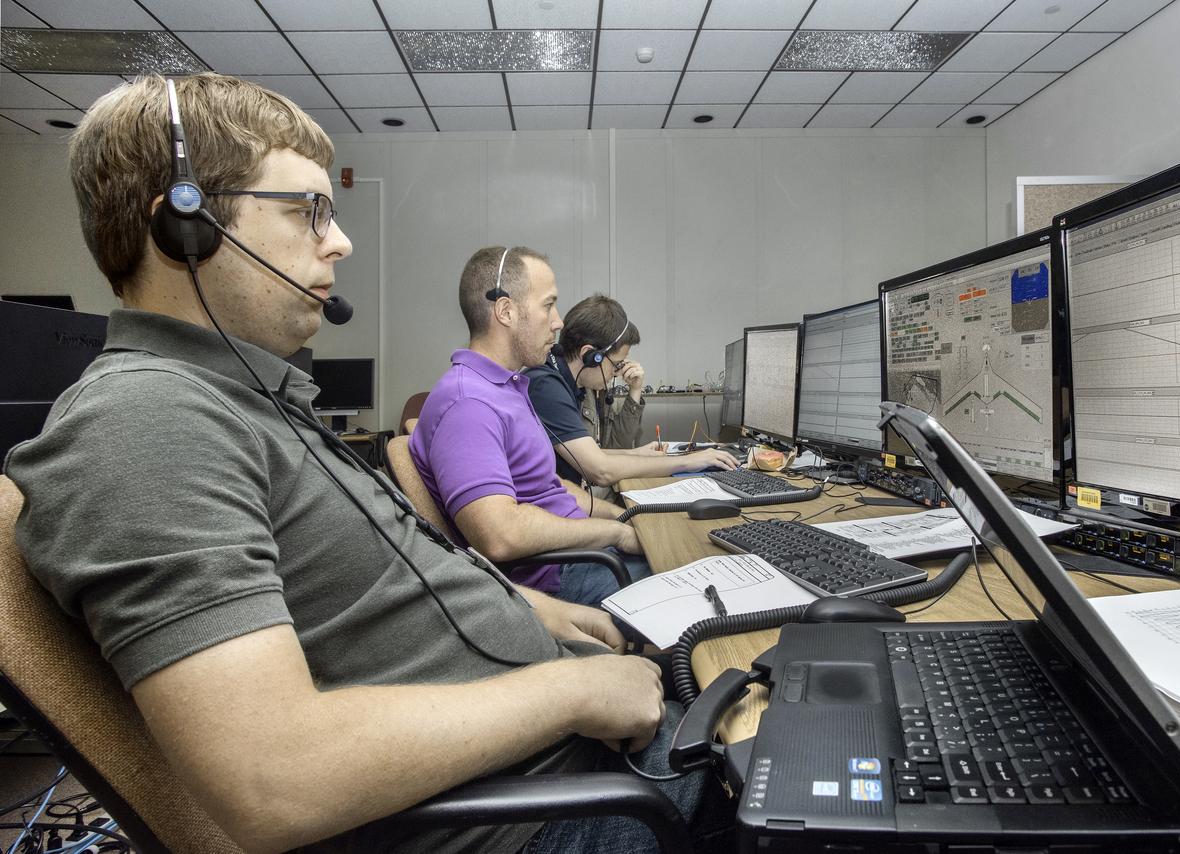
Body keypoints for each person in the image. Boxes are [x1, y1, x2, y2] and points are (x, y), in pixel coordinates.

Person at [4, 74, 727, 853]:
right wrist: (568, 691)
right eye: (306, 210)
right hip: (538, 813)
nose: (339, 240)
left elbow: (406, 581)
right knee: (817, 750)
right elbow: (274, 776)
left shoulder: (251, 398)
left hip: (546, 750)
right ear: (187, 228)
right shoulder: (146, 422)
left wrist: (549, 619)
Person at [410, 248, 652, 608]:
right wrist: (615, 532)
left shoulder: (505, 388)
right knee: (706, 585)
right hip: (559, 575)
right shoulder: (469, 404)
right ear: (506, 311)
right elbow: (500, 535)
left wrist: (623, 518)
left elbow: (549, 489)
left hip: (578, 554)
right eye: (548, 305)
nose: (557, 322)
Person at [526, 294, 739, 487]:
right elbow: (600, 471)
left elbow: (588, 452)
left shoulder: (566, 383)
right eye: (616, 364)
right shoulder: (546, 386)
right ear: (589, 355)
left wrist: (636, 454)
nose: (617, 373)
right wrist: (688, 461)